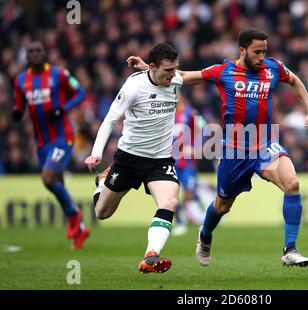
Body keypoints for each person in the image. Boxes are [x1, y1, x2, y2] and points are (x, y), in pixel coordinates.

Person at [128, 28, 308, 267]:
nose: (262, 56)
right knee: (222, 205)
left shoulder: (273, 68)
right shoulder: (224, 71)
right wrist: (151, 69)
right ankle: (205, 235)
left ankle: (290, 249)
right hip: (234, 149)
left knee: (292, 184)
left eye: (264, 51)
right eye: (257, 52)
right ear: (242, 50)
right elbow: (186, 76)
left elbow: (295, 81)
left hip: (265, 143)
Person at [84, 43, 183, 274]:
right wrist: (96, 153)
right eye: (168, 70)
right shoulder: (134, 87)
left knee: (169, 202)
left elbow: (199, 76)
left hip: (160, 160)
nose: (173, 75)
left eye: (175, 69)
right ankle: (102, 182)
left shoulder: (176, 80)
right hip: (129, 159)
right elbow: (110, 119)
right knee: (102, 213)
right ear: (152, 67)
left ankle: (150, 256)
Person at [12, 41, 89, 249]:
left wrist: (63, 109)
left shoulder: (59, 74)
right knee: (58, 183)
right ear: (26, 56)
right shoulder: (21, 80)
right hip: (41, 142)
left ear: (44, 53)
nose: (35, 54)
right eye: (31, 51)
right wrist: (17, 112)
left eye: (38, 50)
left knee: (47, 178)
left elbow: (80, 93)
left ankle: (74, 216)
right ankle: (80, 230)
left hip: (62, 137)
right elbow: (19, 105)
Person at [172, 100, 205, 236]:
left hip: (187, 161)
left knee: (190, 192)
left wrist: (195, 147)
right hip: (170, 161)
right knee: (171, 194)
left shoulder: (189, 112)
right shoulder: (163, 112)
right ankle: (179, 222)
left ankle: (200, 218)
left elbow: (202, 127)